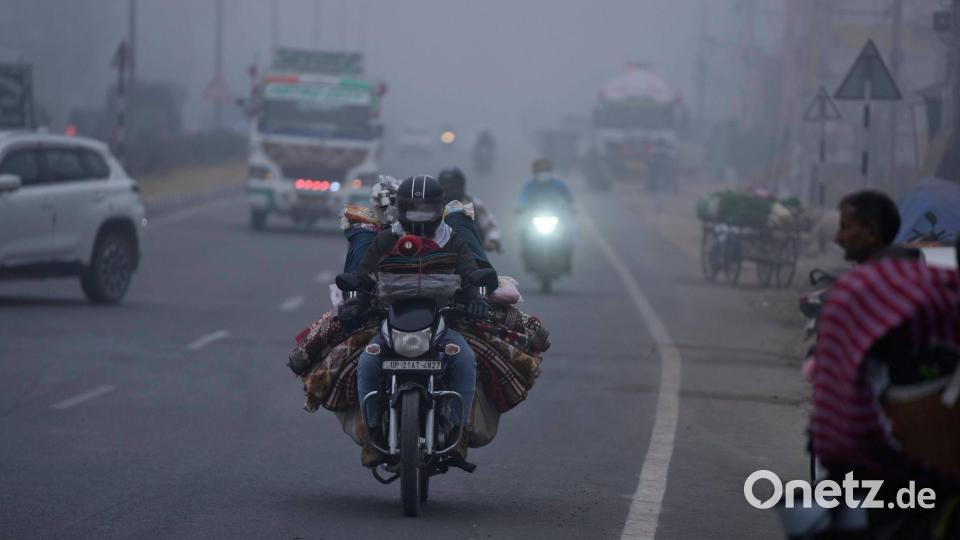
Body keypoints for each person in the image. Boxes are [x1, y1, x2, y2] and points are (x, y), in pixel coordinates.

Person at [338, 175, 490, 467]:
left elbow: (473, 276)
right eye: (413, 209)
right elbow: (363, 276)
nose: (419, 216)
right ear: (401, 208)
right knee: (368, 360)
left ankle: (459, 434)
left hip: (441, 323)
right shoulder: (386, 239)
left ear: (439, 208)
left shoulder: (453, 240)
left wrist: (477, 299)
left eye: (426, 209)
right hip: (390, 323)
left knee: (465, 359)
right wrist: (356, 301)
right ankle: (372, 436)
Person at [437, 166, 502, 253]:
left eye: (453, 186)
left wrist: (492, 240)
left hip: (471, 252)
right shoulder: (435, 206)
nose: (450, 189)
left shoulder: (472, 203)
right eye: (447, 186)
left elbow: (489, 225)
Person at [834, 190, 901, 264]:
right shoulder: (907, 270)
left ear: (871, 232)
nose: (837, 238)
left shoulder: (867, 275)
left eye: (845, 227)